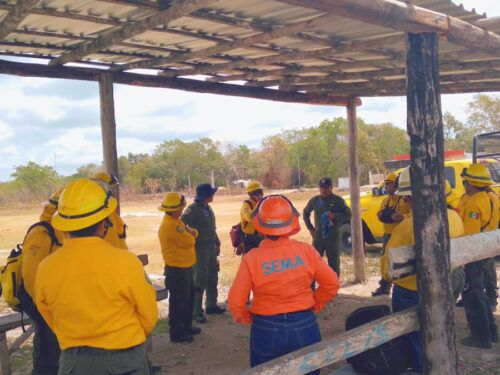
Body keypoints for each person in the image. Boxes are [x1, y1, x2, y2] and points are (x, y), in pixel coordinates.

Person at [35, 178, 158, 374]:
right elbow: (148, 315)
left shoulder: (46, 267)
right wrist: (127, 339)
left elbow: (47, 313)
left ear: (63, 227)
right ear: (103, 225)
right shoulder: (126, 262)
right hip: (123, 360)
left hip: (73, 362)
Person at [228, 195, 340, 373]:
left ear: (261, 226)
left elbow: (235, 301)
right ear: (292, 223)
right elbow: (332, 283)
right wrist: (315, 304)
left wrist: (248, 317)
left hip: (266, 326)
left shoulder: (252, 258)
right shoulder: (306, 251)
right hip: (304, 323)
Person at [381, 168, 465, 372]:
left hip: (412, 291)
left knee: (415, 336)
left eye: (406, 199)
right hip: (451, 280)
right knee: (440, 328)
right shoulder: (454, 217)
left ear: (411, 197)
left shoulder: (408, 226)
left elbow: (387, 269)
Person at [18, 189, 65, 375]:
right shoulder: (41, 232)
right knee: (48, 350)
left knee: (57, 348)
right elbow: (31, 277)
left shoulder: (61, 231)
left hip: (58, 302)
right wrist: (44, 306)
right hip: (41, 302)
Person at [459, 164, 499, 349]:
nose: (464, 184)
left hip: (474, 255)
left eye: (465, 181)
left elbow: (469, 234)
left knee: (473, 295)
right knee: (481, 294)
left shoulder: (474, 203)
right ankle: (492, 333)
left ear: (472, 183)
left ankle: (481, 338)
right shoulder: (492, 196)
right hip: (487, 250)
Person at [158, 192, 201, 343]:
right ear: (175, 209)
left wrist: (192, 233)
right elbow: (190, 241)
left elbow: (194, 233)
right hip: (177, 269)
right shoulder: (172, 225)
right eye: (181, 208)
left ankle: (186, 327)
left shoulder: (176, 221)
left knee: (188, 298)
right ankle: (177, 333)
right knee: (178, 302)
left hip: (184, 267)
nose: (182, 210)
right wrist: (191, 233)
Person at [181, 183, 225, 324]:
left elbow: (212, 228)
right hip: (199, 249)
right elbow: (180, 224)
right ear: (205, 196)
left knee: (213, 276)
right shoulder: (192, 210)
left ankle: (211, 305)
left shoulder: (208, 208)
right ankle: (196, 311)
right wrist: (191, 236)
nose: (213, 195)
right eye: (211, 193)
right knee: (199, 279)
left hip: (210, 247)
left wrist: (217, 242)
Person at [372, 172, 411, 296]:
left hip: (400, 235)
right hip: (387, 235)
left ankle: (400, 285)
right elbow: (382, 215)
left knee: (401, 261)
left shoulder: (405, 200)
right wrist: (380, 216)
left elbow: (413, 216)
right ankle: (385, 286)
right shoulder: (385, 201)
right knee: (386, 260)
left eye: (390, 184)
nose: (388, 187)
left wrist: (402, 217)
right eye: (386, 184)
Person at [303, 177, 351, 275]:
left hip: (333, 236)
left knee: (333, 263)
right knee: (314, 261)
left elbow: (348, 215)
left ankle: (334, 287)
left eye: (326, 188)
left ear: (331, 187)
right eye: (321, 188)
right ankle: (312, 287)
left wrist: (335, 216)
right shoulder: (315, 200)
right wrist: (310, 228)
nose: (323, 190)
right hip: (319, 236)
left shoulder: (338, 200)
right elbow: (305, 212)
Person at [93, 171, 128, 250]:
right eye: (111, 188)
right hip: (114, 256)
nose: (114, 192)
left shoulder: (108, 212)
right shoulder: (106, 213)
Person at [239, 181, 264, 253]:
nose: (260, 194)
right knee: (250, 260)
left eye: (260, 191)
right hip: (250, 238)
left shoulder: (262, 203)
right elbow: (251, 217)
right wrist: (259, 204)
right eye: (257, 192)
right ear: (251, 194)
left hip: (261, 237)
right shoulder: (246, 205)